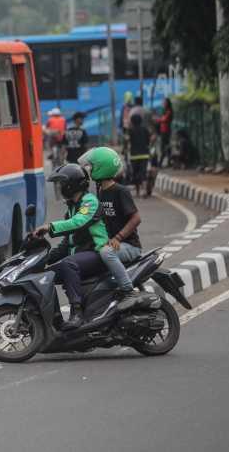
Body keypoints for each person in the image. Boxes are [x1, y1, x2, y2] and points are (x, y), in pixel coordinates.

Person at [34, 164, 109, 329]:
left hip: (97, 253)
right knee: (45, 276)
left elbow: (79, 223)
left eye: (62, 184)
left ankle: (77, 313)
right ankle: (55, 320)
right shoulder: (72, 208)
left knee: (68, 264)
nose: (60, 188)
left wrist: (49, 227)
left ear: (72, 184)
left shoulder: (89, 202)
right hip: (81, 255)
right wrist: (41, 259)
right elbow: (66, 245)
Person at [78, 147, 142, 310]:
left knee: (106, 252)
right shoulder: (100, 192)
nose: (89, 170)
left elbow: (136, 218)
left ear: (101, 168)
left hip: (129, 245)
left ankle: (129, 291)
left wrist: (118, 238)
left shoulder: (120, 191)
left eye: (91, 166)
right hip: (112, 243)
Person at [127, 114, 152, 197]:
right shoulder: (145, 130)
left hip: (134, 155)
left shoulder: (130, 130)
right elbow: (148, 141)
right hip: (144, 155)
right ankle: (144, 190)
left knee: (135, 173)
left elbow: (128, 142)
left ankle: (137, 192)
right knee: (143, 173)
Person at [157, 98, 174, 167]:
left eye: (165, 102)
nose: (163, 104)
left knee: (164, 147)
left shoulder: (169, 111)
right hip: (163, 131)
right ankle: (167, 161)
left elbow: (164, 119)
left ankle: (162, 162)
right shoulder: (164, 111)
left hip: (166, 131)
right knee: (165, 147)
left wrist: (157, 119)